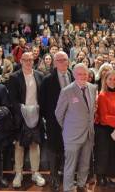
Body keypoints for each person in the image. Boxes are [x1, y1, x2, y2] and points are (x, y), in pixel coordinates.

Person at [55, 63, 97, 192]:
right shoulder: (67, 91)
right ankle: (68, 189)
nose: (83, 76)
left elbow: (91, 110)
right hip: (72, 135)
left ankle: (81, 185)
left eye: (85, 74)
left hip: (89, 133)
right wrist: (67, 128)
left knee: (85, 164)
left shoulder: (92, 88)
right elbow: (58, 113)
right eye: (80, 74)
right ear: (74, 75)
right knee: (70, 166)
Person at [8, 52, 45, 188]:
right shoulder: (14, 77)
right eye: (26, 60)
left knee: (35, 145)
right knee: (19, 145)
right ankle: (19, 173)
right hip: (20, 116)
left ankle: (35, 172)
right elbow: (12, 100)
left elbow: (42, 97)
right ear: (21, 61)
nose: (29, 62)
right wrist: (23, 111)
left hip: (36, 115)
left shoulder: (40, 75)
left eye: (31, 60)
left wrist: (36, 112)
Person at [40, 51, 73, 191]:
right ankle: (54, 178)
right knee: (54, 150)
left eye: (64, 59)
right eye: (59, 60)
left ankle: (67, 178)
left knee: (68, 150)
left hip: (72, 121)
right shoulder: (47, 80)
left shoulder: (73, 75)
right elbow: (42, 102)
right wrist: (50, 119)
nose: (62, 62)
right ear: (54, 62)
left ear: (68, 61)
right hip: (54, 122)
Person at [94, 70, 115, 191]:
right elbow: (103, 117)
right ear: (105, 81)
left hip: (113, 128)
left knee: (112, 152)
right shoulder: (102, 95)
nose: (112, 81)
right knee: (103, 153)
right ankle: (100, 176)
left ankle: (110, 174)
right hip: (103, 129)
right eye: (110, 79)